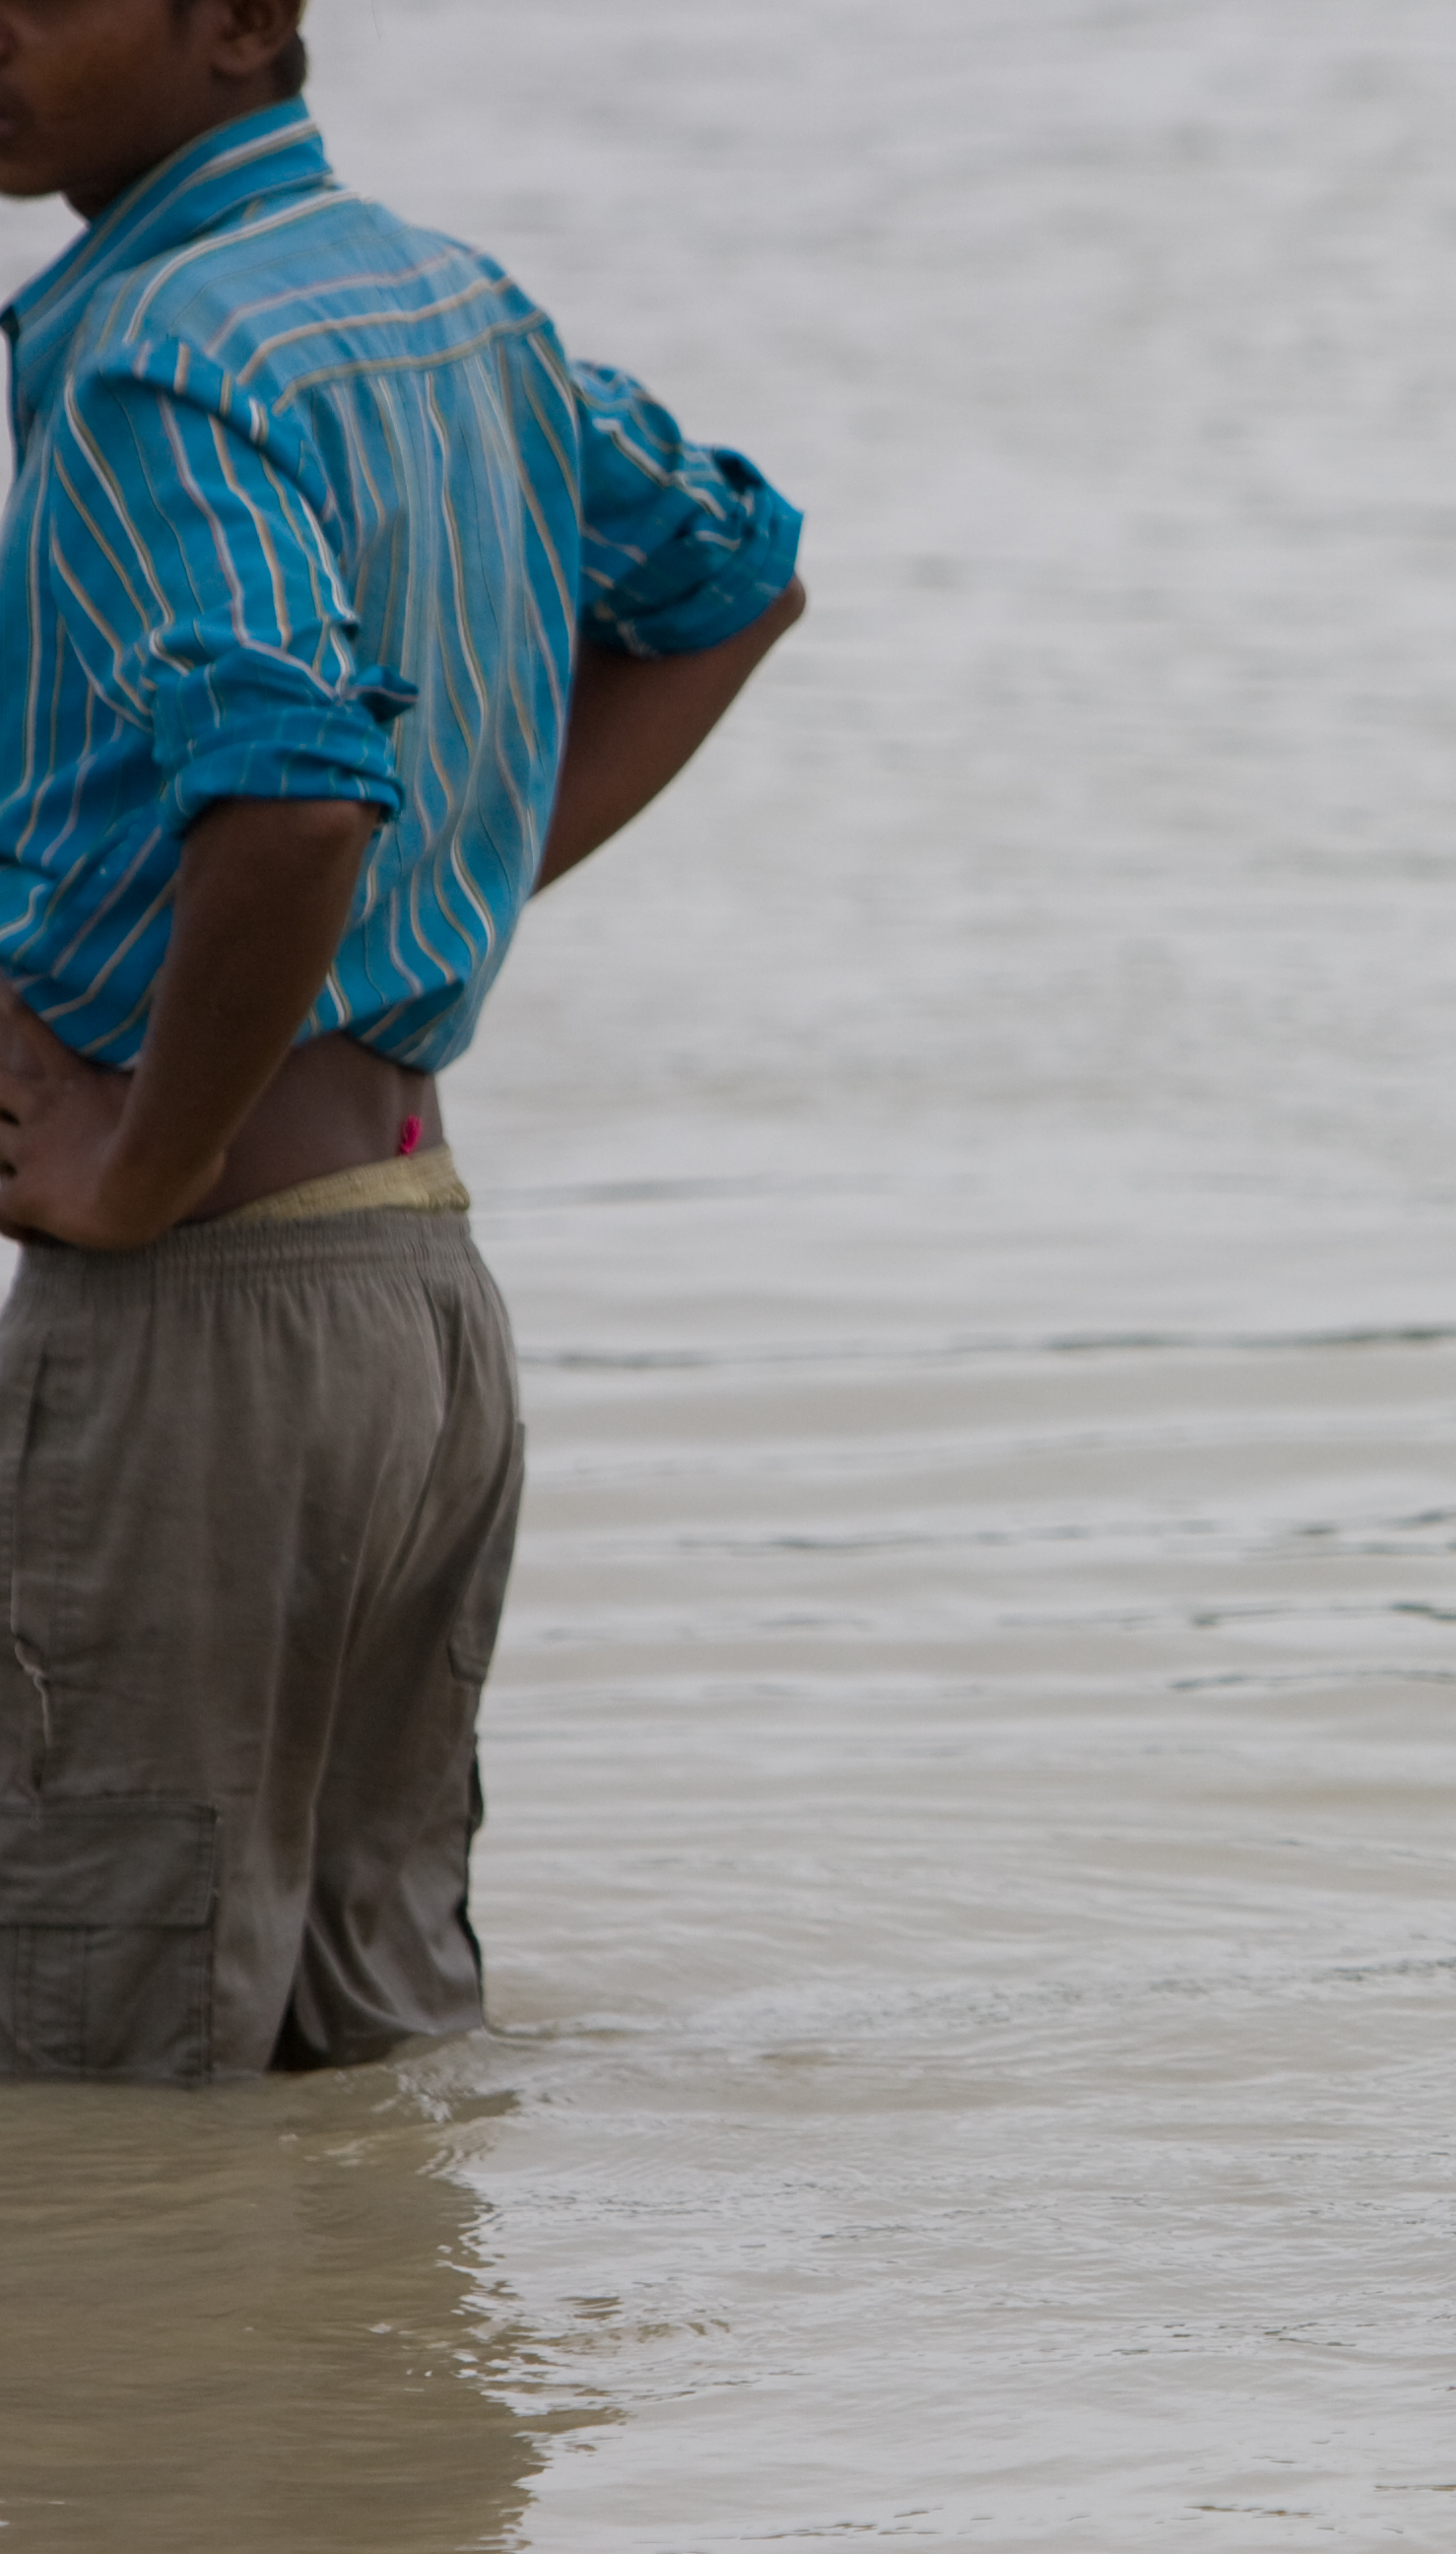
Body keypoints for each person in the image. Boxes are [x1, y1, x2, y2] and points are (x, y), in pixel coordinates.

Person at [0, 0, 804, 2081]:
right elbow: (731, 578)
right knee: (364, 2059)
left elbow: (289, 789)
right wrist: (413, 902)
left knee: (96, 2090)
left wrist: (137, 1161)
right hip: (413, 1298)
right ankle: (392, 2418)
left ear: (243, 24)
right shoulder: (451, 309)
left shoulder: (154, 354)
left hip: (206, 1314)